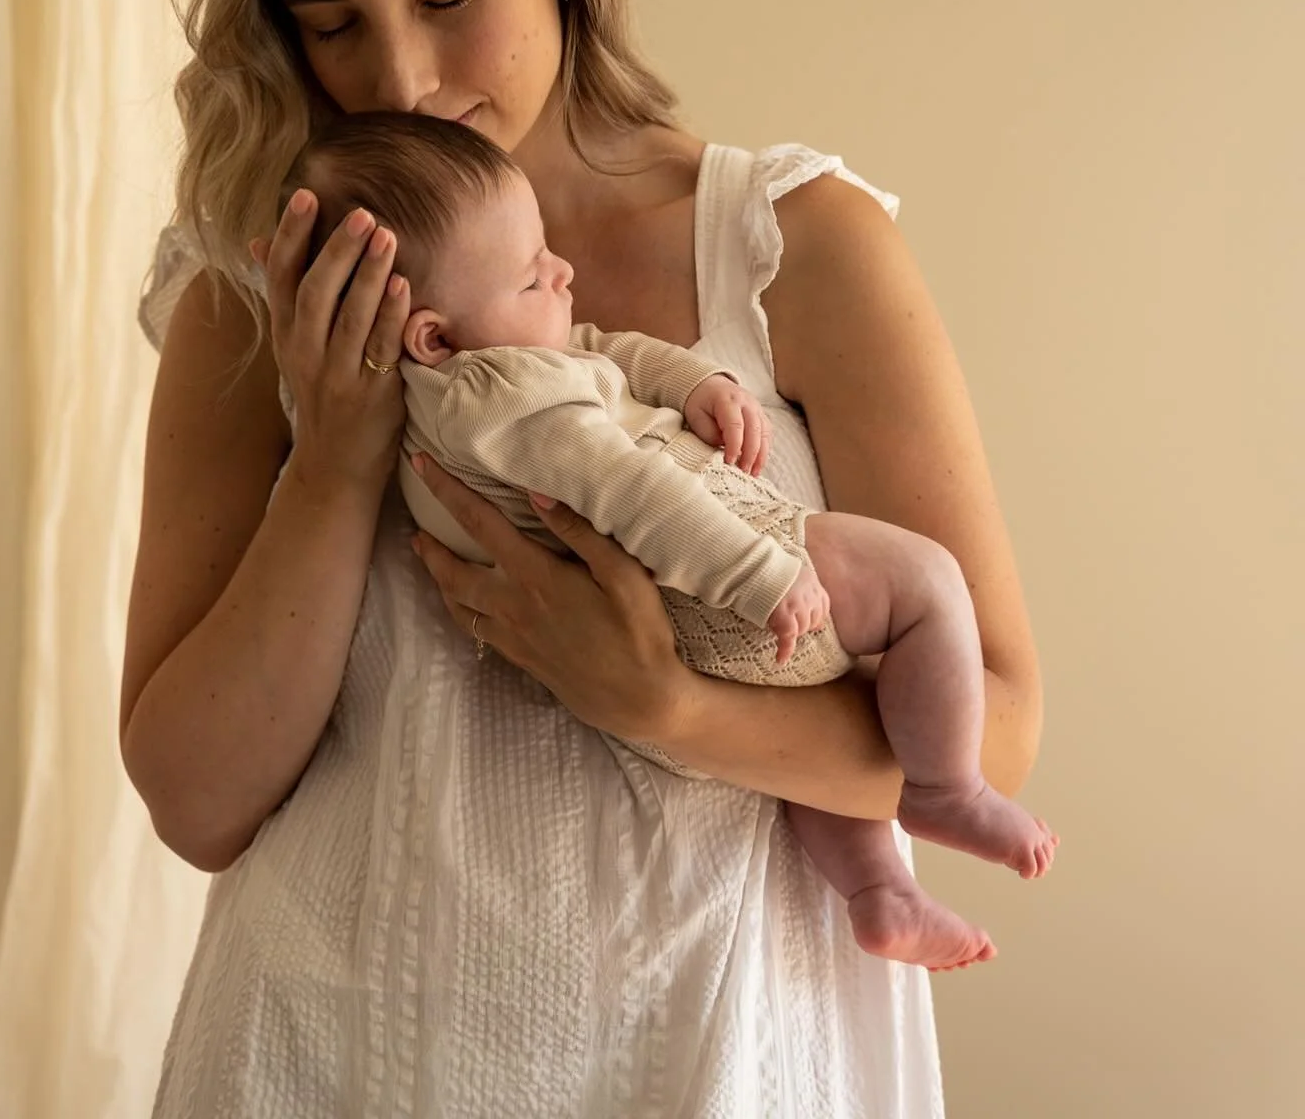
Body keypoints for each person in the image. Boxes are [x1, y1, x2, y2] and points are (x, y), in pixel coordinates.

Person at [122, 0, 1044, 1116]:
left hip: (722, 1049)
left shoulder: (790, 242)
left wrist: (661, 704)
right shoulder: (260, 289)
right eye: (330, 27)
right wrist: (340, 456)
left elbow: (994, 718)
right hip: (334, 1049)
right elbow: (195, 803)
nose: (404, 80)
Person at [279, 110, 1055, 973]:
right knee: (924, 583)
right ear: (434, 336)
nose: (562, 272)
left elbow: (606, 352)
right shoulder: (506, 404)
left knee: (803, 758)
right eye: (534, 277)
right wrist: (764, 575)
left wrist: (696, 384)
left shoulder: (483, 381)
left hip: (676, 630)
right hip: (715, 587)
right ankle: (947, 789)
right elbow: (630, 489)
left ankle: (879, 891)